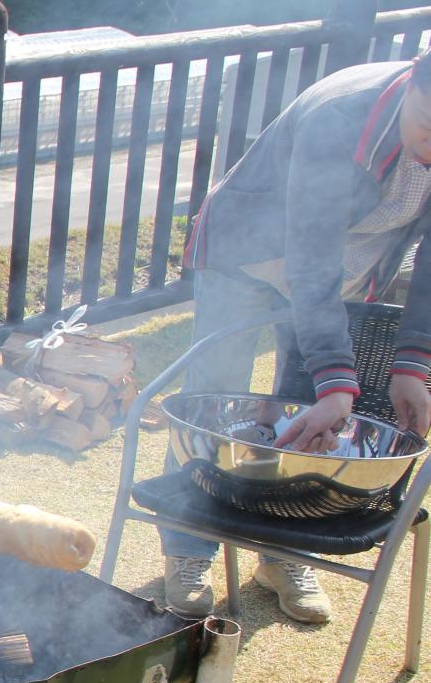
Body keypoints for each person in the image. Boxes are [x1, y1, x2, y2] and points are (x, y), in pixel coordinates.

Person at [169, 53, 431, 622]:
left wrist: (414, 363)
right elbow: (311, 260)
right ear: (411, 83)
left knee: (306, 412)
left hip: (350, 262)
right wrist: (337, 375)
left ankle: (282, 551)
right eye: (427, 128)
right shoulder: (340, 117)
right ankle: (188, 548)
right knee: (210, 400)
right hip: (255, 248)